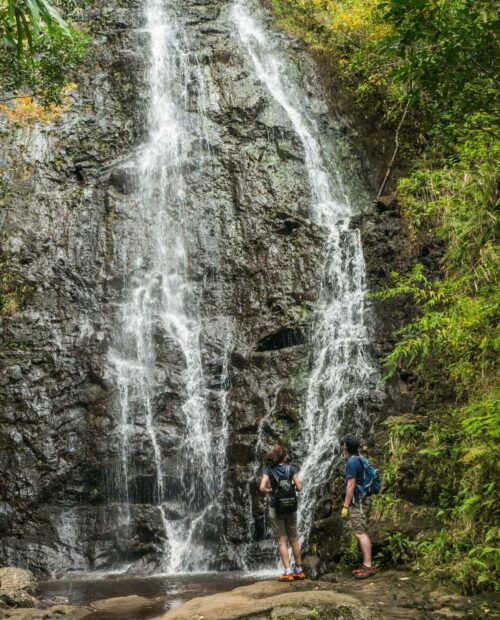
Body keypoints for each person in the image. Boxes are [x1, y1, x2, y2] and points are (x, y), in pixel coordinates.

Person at [260, 444, 305, 581]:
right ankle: (299, 570)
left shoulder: (269, 470)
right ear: (284, 456)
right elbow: (299, 487)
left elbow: (262, 487)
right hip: (291, 506)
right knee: (293, 539)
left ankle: (287, 572)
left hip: (276, 507)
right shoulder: (291, 469)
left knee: (281, 541)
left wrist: (271, 491)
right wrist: (290, 489)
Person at [341, 434, 377, 579]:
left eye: (344, 445)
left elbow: (350, 485)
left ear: (346, 447)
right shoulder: (361, 459)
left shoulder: (351, 463)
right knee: (363, 531)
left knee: (360, 533)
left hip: (358, 501)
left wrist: (345, 506)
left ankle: (367, 567)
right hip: (364, 499)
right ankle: (366, 565)